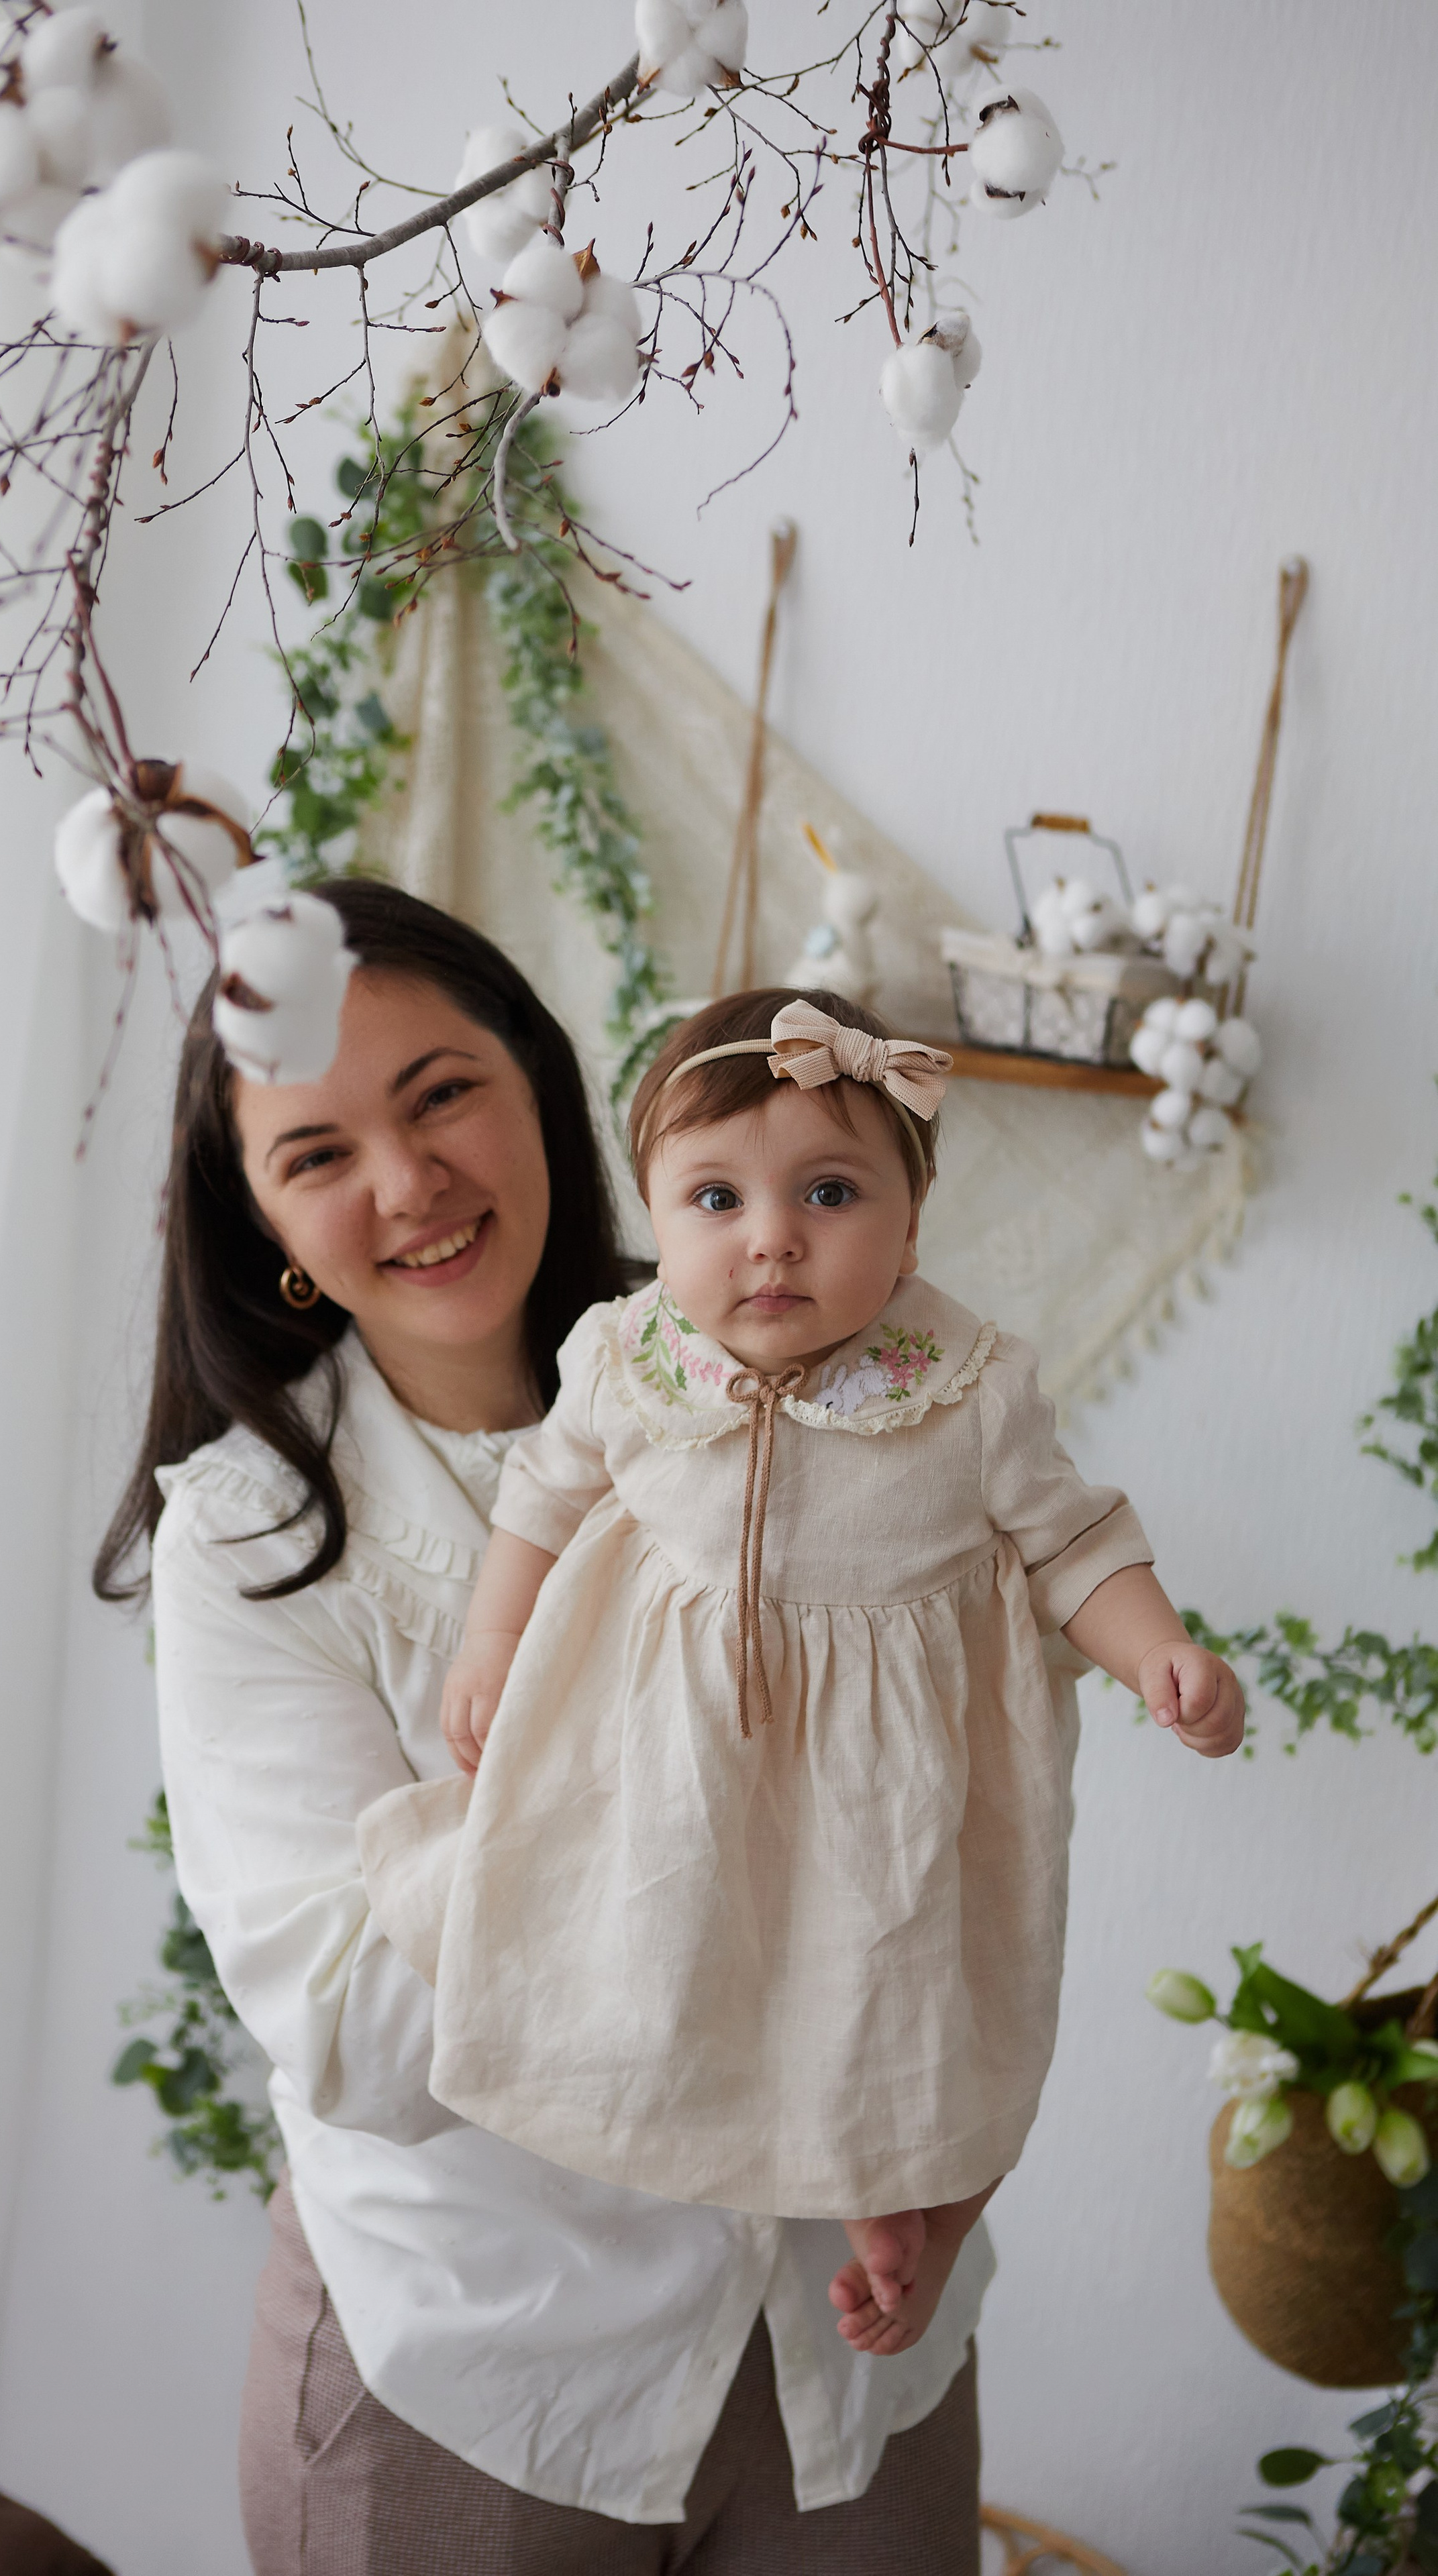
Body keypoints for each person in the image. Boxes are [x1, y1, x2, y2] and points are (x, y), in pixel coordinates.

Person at [97, 890, 988, 2573]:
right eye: (317, 1153)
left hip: (851, 2342)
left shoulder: (807, 1367)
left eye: (440, 1094)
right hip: (483, 2376)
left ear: (538, 1083)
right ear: (271, 1221)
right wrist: (684, 1784)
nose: (409, 1184)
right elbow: (356, 2031)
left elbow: (950, 1793)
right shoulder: (252, 1537)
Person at [358, 985, 1245, 2366]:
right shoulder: (627, 1354)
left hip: (884, 1790)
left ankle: (902, 2197)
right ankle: (622, 2102)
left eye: (827, 1192)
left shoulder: (962, 1383)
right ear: (653, 1213)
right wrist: (491, 1641)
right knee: (641, 1936)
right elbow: (538, 1497)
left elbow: (1071, 1542)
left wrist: (1158, 1652)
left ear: (911, 1218)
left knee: (888, 1999)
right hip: (658, 1754)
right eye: (713, 1199)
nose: (769, 1238)